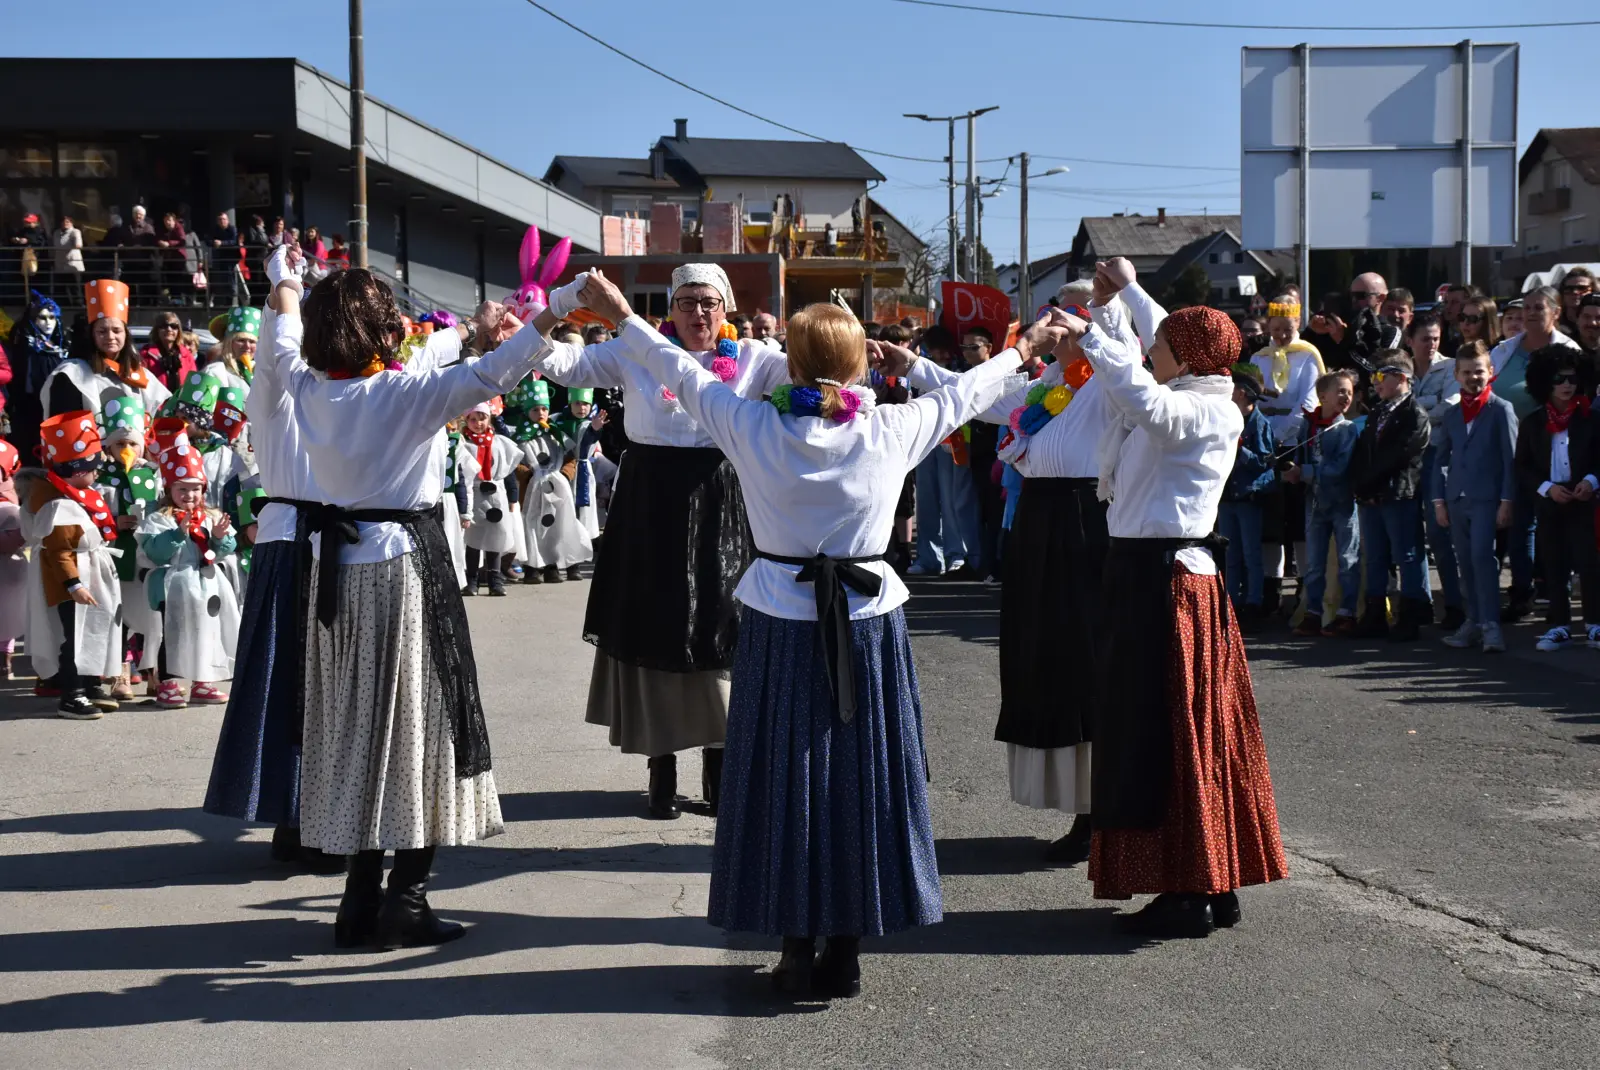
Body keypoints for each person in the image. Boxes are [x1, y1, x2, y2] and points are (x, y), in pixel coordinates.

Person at [573, 269, 1059, 998]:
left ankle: (796, 945)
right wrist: (1028, 351)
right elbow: (965, 394)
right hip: (867, 625)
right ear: (860, 366)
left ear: (789, 365)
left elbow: (676, 368)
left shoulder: (751, 425)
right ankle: (848, 945)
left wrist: (620, 315)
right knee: (863, 782)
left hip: (778, 618)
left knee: (781, 782)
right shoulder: (891, 429)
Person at [267, 249, 544, 950]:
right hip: (400, 571)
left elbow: (280, 334)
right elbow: (489, 374)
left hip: (335, 572)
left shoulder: (305, 385)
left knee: (359, 731)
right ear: (382, 332)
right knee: (423, 729)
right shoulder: (401, 395)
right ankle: (408, 898)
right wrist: (551, 315)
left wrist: (285, 281)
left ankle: (359, 902)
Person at [530, 262, 790, 820]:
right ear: (670, 309)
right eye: (687, 302)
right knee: (655, 626)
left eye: (709, 303)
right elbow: (561, 364)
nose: (698, 313)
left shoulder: (753, 359)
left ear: (727, 310)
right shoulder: (635, 348)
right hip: (649, 500)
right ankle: (661, 768)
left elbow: (811, 377)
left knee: (727, 627)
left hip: (723, 496)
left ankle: (722, 769)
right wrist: (542, 315)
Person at [1075, 265, 1287, 938]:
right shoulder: (1194, 384)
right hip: (1150, 575)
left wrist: (1096, 339)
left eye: (1159, 345)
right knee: (1176, 735)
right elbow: (1173, 340)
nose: (1150, 350)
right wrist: (1125, 297)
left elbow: (1149, 401)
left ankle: (1189, 888)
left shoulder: (1204, 407)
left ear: (1187, 356)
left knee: (1169, 737)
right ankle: (1208, 881)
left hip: (1167, 585)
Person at [899, 276, 1129, 864]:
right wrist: (910, 364)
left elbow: (1130, 356)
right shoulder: (1048, 383)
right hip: (1040, 526)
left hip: (1085, 525)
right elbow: (977, 397)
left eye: (1068, 313)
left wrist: (1100, 319)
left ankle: (1103, 808)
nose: (1055, 321)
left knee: (1086, 663)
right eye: (1054, 311)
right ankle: (1081, 804)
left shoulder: (1108, 383)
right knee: (1046, 659)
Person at [20, 411, 124, 720]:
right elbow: (60, 551)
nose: (97, 474)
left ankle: (90, 683)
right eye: (93, 468)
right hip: (74, 581)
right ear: (77, 471)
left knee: (94, 628)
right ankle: (72, 693)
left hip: (89, 573)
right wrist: (73, 585)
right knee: (73, 636)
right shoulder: (58, 505)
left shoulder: (77, 496)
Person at [1490, 286, 1581, 618]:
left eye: (1538, 308)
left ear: (1555, 313)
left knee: (1556, 525)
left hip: (1553, 449)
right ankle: (1521, 592)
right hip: (1510, 452)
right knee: (1519, 525)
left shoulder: (1568, 351)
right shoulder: (1504, 350)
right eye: (1526, 307)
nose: (1529, 313)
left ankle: (1558, 590)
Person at [137, 425, 240, 708]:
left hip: (206, 585)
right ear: (169, 489)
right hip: (171, 585)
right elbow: (154, 553)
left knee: (205, 631)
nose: (190, 495)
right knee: (171, 632)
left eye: (195, 489)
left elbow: (223, 551)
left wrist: (219, 539)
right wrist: (177, 534)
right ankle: (168, 682)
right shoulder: (159, 519)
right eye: (182, 489)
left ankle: (202, 680)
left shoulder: (210, 516)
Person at [1431, 342, 1517, 654]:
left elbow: (1511, 460)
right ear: (1456, 375)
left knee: (1483, 558)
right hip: (1456, 499)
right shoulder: (1453, 414)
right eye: (1466, 372)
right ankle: (1473, 619)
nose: (1473, 377)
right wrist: (1439, 501)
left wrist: (1507, 500)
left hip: (1487, 498)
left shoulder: (1500, 410)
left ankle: (1491, 625)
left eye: (1479, 371)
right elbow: (1440, 458)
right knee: (1464, 561)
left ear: (1490, 372)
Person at [1515, 348, 1600, 651]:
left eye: (1572, 378)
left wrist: (1591, 481)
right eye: (1558, 379)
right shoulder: (1533, 422)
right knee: (1554, 563)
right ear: (1544, 383)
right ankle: (1560, 625)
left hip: (1584, 498)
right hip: (1550, 500)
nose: (1567, 385)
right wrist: (1546, 488)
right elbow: (1522, 465)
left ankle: (1593, 624)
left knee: (1589, 563)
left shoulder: (1591, 418)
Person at [1349, 352, 1432, 641]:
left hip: (1398, 494)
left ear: (1402, 378)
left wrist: (1371, 483)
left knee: (1406, 554)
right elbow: (1363, 453)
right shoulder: (1377, 412)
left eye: (1381, 376)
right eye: (1374, 377)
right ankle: (1375, 614)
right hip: (1372, 495)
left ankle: (1410, 615)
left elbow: (1399, 455)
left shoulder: (1414, 415)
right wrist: (1362, 486)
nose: (1376, 383)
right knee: (1374, 556)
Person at [95, 395, 162, 699]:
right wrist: (112, 523)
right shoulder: (102, 478)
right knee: (120, 615)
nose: (127, 450)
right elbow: (93, 514)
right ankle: (120, 672)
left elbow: (163, 509)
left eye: (133, 444)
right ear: (108, 447)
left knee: (152, 614)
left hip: (147, 554)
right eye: (120, 444)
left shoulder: (152, 475)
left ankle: (155, 672)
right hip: (117, 555)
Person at [1286, 371, 1362, 636]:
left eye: (1349, 393)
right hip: (1315, 503)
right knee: (1314, 562)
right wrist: (1292, 469)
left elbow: (1339, 468)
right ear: (1322, 396)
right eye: (1340, 391)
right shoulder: (1309, 425)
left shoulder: (1347, 429)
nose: (1346, 396)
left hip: (1342, 503)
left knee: (1346, 559)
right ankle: (1313, 612)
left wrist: (1304, 472)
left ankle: (1347, 613)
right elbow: (1300, 451)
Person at [907, 323, 979, 575]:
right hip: (926, 438)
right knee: (925, 500)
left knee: (951, 499)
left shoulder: (960, 368)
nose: (940, 356)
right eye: (934, 350)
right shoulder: (920, 368)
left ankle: (955, 553)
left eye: (943, 350)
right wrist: (917, 341)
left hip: (954, 439)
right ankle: (927, 557)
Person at [44, 279, 172, 422]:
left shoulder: (140, 374)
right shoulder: (71, 374)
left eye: (116, 330)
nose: (110, 337)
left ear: (126, 334)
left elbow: (160, 418)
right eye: (102, 331)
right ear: (92, 335)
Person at [1408, 313, 1465, 631]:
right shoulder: (1401, 369)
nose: (1431, 344)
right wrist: (1427, 407)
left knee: (1440, 534)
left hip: (1437, 459)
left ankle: (1455, 605)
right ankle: (1420, 603)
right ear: (1410, 340)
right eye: (1424, 338)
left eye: (1435, 338)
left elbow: (1450, 406)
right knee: (1410, 535)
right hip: (1407, 461)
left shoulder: (1450, 367)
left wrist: (1414, 412)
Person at [1219, 369, 1277, 626]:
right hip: (1228, 496)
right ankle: (1231, 602)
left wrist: (1239, 448)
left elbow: (1264, 462)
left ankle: (1254, 602)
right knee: (1231, 554)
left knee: (1251, 554)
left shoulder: (1259, 423)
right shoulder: (1226, 419)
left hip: (1248, 496)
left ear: (1240, 393)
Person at [459, 399, 521, 596]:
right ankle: (472, 581)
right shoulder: (464, 444)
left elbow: (509, 471)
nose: (478, 423)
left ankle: (495, 580)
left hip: (496, 494)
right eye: (473, 419)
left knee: (496, 537)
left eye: (482, 418)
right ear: (466, 421)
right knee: (473, 539)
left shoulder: (500, 443)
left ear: (490, 418)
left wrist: (513, 496)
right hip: (475, 494)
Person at [5, 291, 69, 463]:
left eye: (52, 317)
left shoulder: (63, 348)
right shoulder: (23, 348)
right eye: (42, 317)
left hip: (57, 410)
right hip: (29, 412)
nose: (48, 323)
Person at [0, 440, 25, 681]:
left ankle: (5, 658)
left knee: (8, 611)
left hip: (9, 567)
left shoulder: (10, 506)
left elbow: (19, 534)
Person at [140, 311, 199, 393]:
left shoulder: (186, 355)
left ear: (179, 330)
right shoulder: (146, 355)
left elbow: (194, 384)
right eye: (164, 326)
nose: (169, 329)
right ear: (157, 330)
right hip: (156, 404)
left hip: (180, 404)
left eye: (174, 326)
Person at [204, 306, 260, 390]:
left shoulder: (263, 372)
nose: (247, 346)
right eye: (241, 340)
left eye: (252, 342)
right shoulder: (215, 372)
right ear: (228, 343)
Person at [50, 215, 84, 301]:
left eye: (67, 222)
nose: (65, 224)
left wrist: (77, 244)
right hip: (60, 263)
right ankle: (64, 304)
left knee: (74, 286)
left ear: (71, 223)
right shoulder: (56, 233)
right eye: (63, 222)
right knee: (61, 286)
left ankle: (78, 304)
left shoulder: (75, 232)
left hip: (72, 264)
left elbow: (78, 243)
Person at [1558, 267, 1596, 336]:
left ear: (1593, 291)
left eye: (1582, 288)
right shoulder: (1553, 326)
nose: (1575, 292)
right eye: (1569, 289)